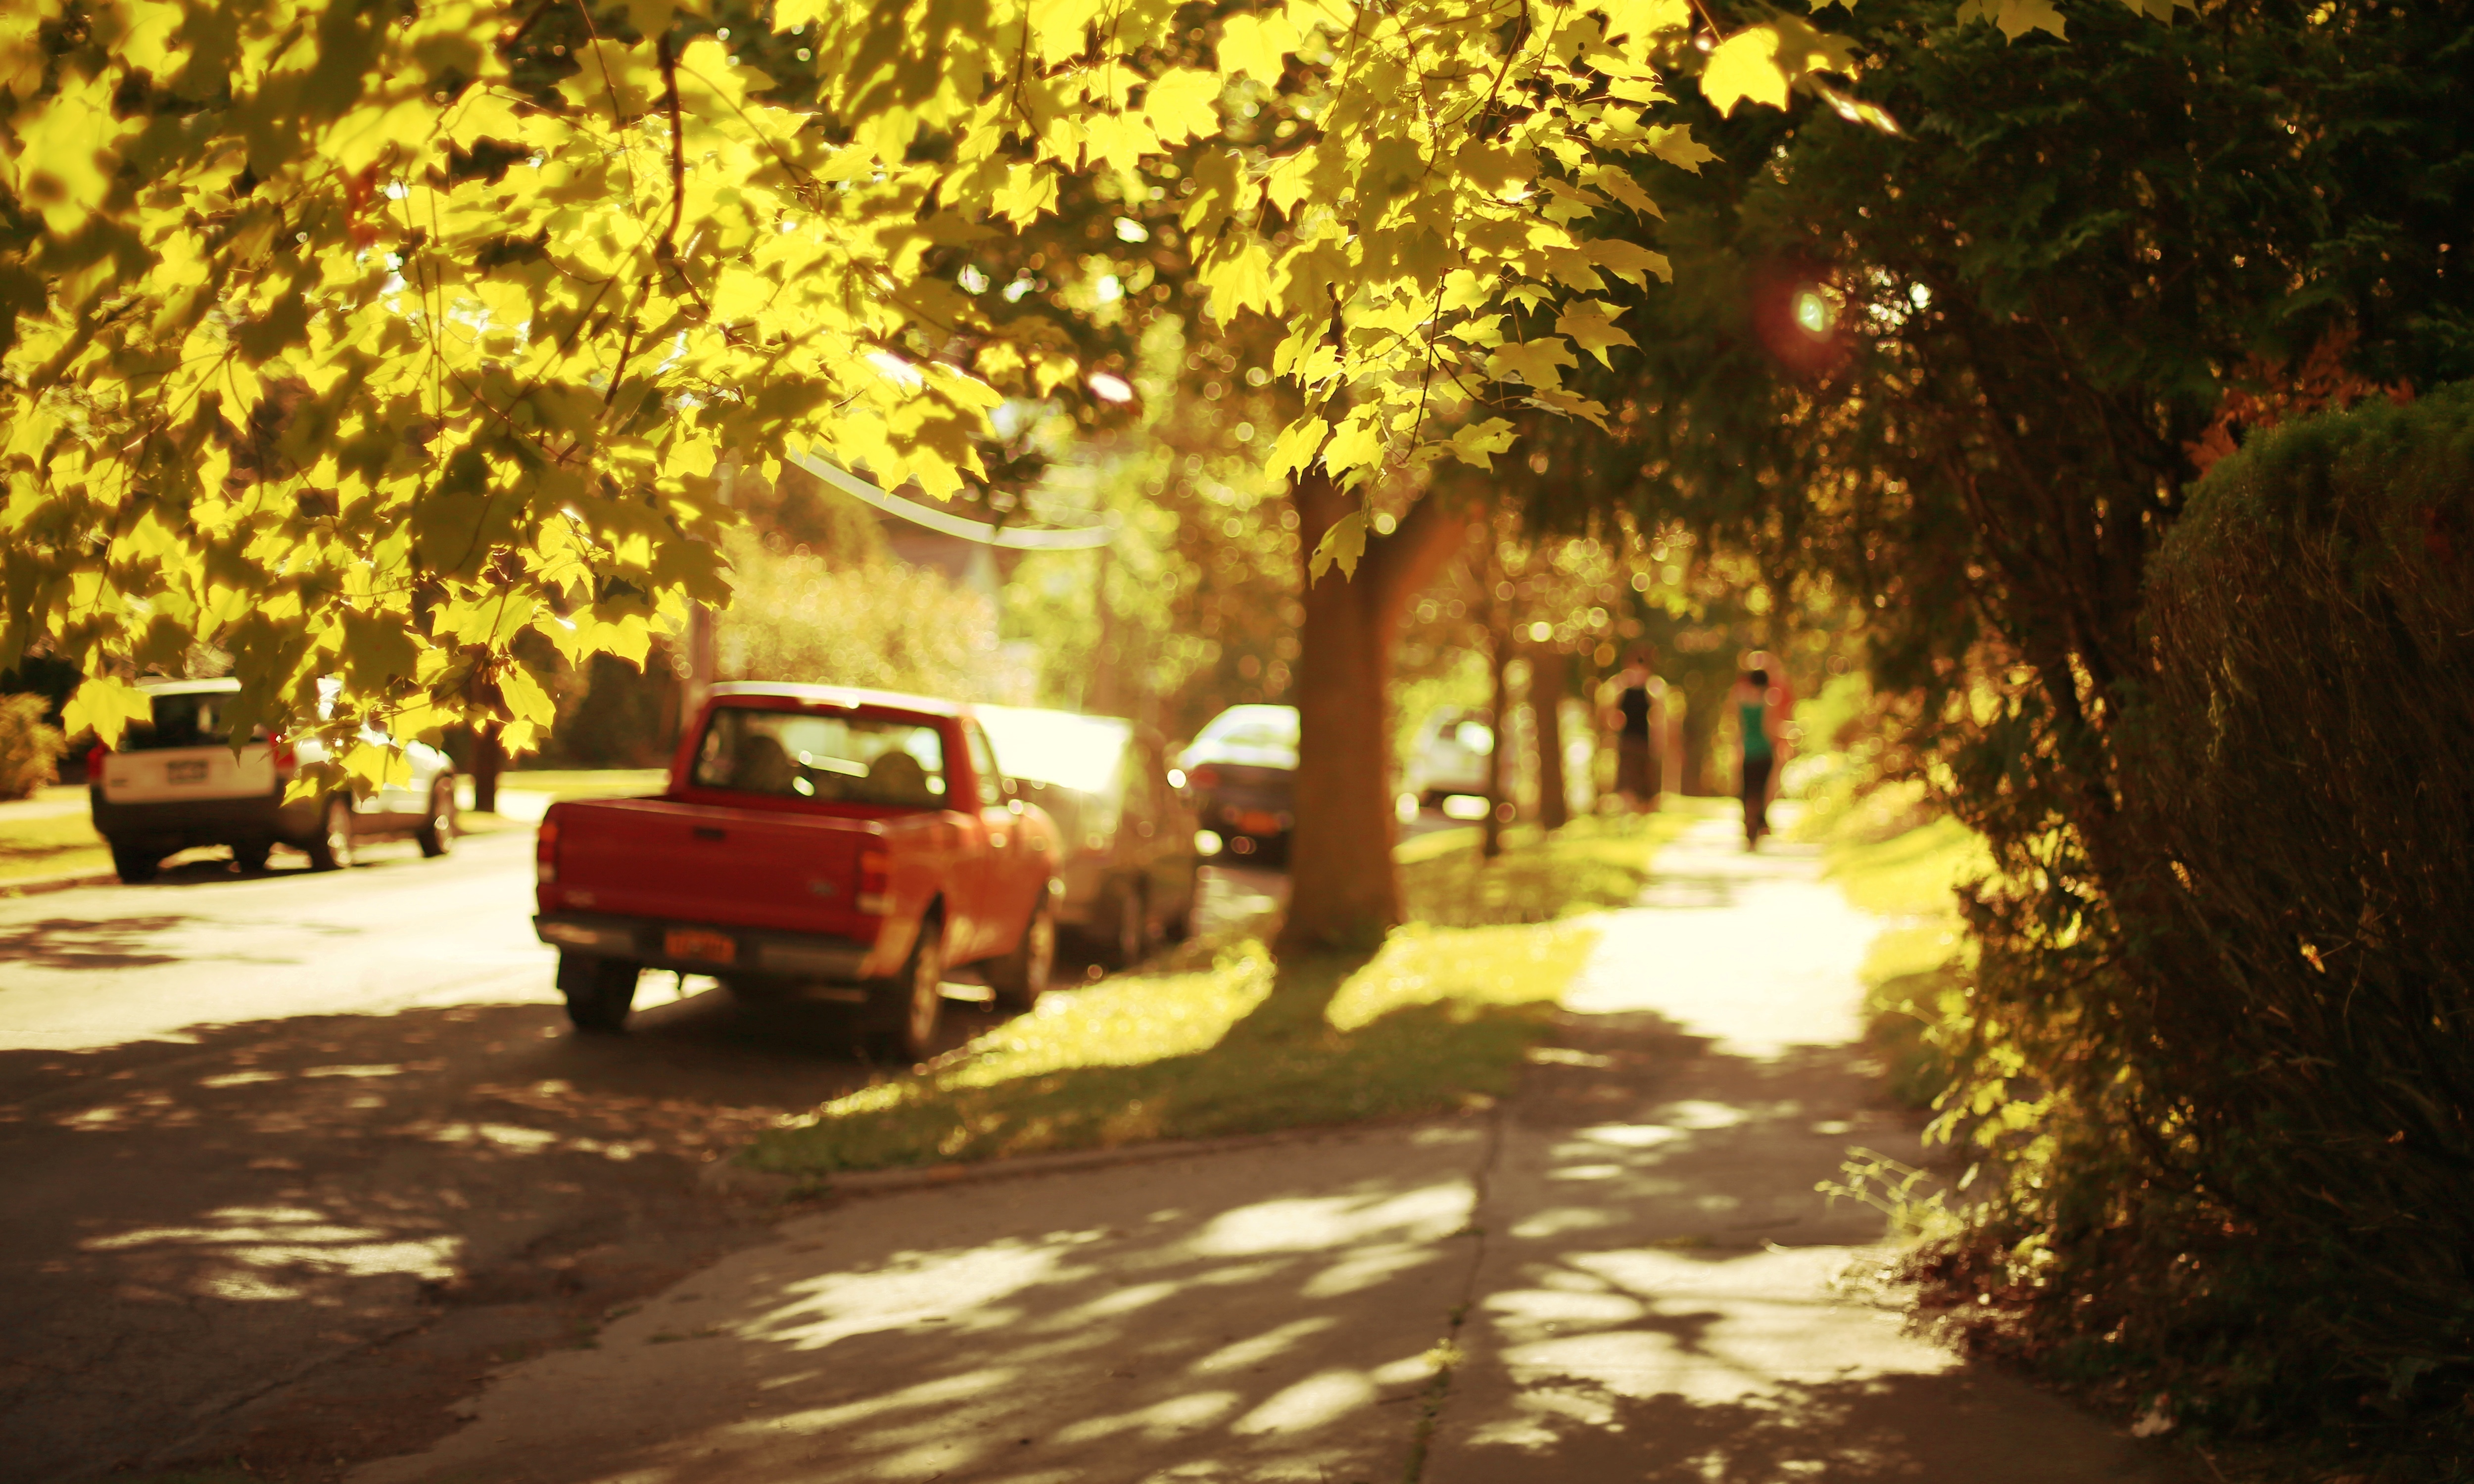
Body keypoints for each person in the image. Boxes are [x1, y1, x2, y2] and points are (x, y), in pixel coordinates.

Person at [1601, 648, 1665, 815]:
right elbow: (1610, 714)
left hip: (1643, 741)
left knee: (1643, 780)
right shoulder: (1620, 686)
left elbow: (1657, 717)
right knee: (1628, 780)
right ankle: (1631, 814)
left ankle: (1639, 813)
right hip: (1628, 740)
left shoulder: (1652, 687)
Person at [1731, 661, 1782, 847]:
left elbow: (1739, 728)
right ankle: (1759, 823)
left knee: (1748, 788)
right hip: (1764, 751)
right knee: (1761, 790)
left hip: (1747, 750)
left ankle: (1748, 823)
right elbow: (1770, 728)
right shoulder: (1769, 701)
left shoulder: (1740, 701)